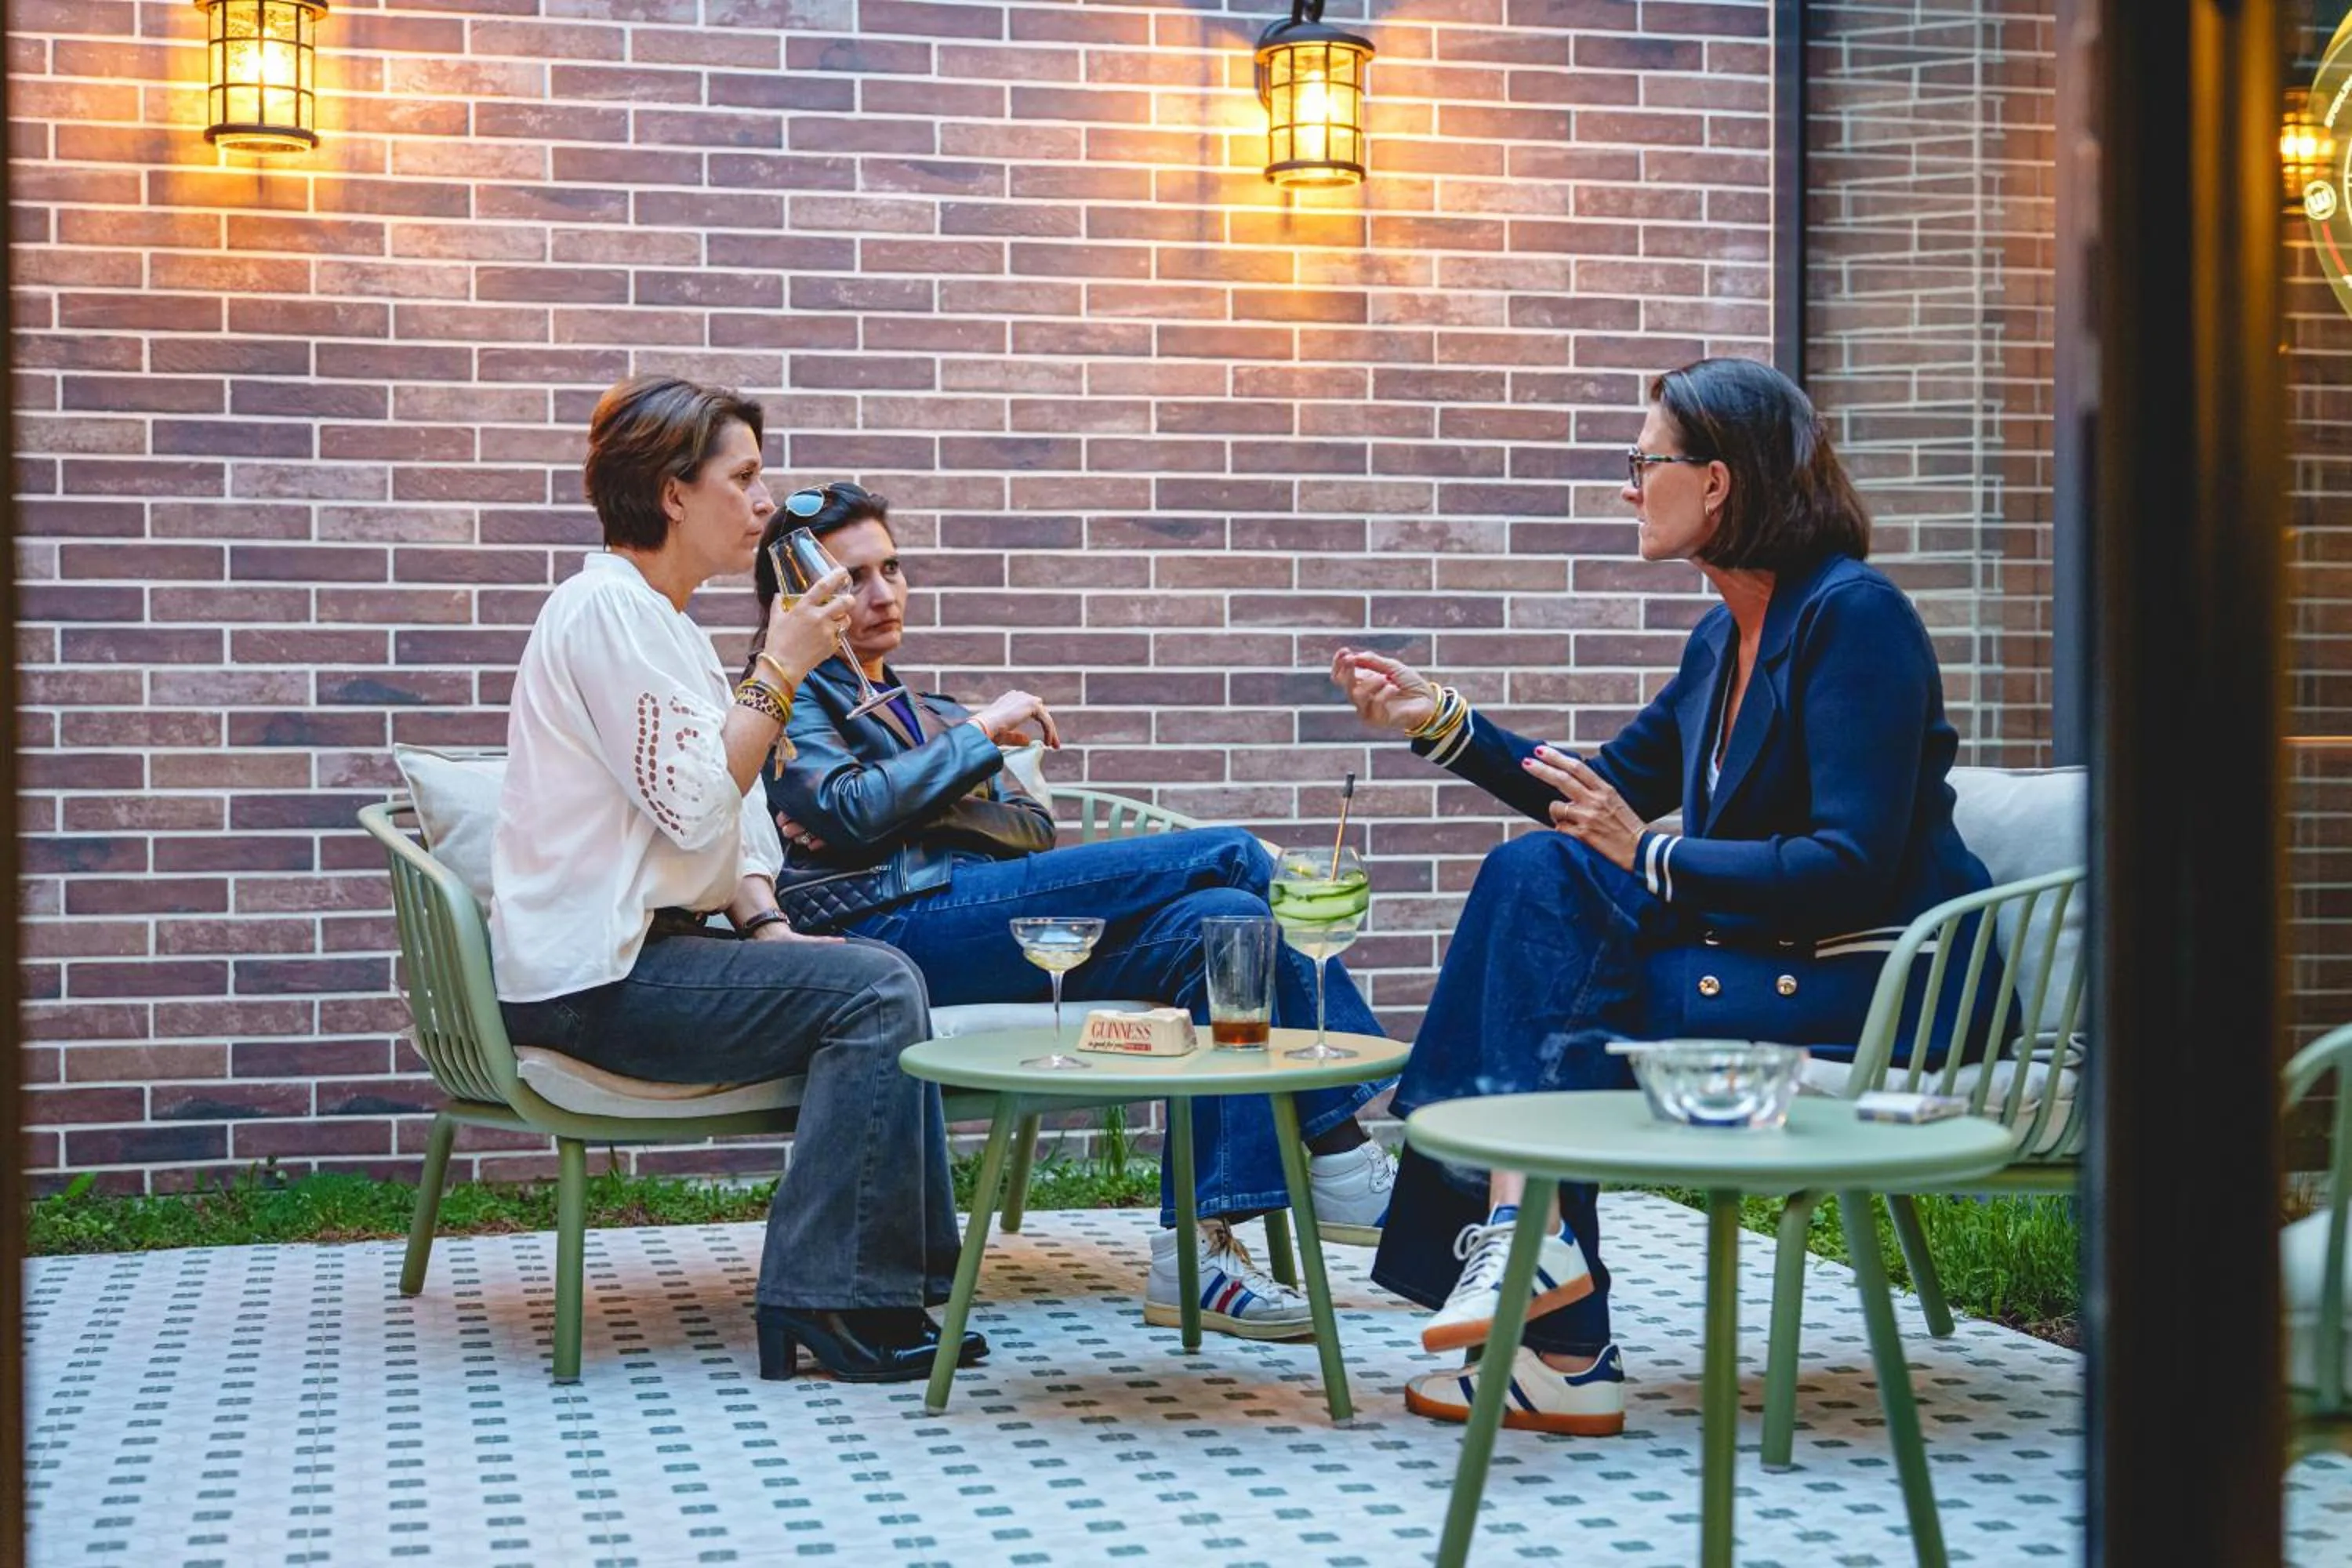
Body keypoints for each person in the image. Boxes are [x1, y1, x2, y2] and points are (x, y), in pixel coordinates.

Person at [1330, 357, 1998, 1436]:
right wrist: (1436, 719)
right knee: (1534, 874)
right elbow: (1594, 794)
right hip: (1771, 960)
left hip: (1879, 981)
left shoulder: (1853, 619)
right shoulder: (1719, 641)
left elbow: (1854, 862)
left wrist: (1655, 858)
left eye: (1644, 461)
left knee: (1552, 922)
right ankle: (1537, 1267)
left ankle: (1554, 1314)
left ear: (1719, 482)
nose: (1628, 485)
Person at [749, 481, 1398, 1342]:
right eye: (856, 576)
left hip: (977, 914)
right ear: (805, 592)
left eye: (893, 567)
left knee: (1230, 917)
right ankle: (1354, 1148)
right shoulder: (797, 693)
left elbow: (1026, 824)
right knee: (1233, 849)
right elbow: (845, 809)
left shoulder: (931, 710)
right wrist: (968, 748)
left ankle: (1194, 1255)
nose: (883, 593)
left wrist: (914, 788)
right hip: (889, 930)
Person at [489, 375, 979, 1386]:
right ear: (674, 493)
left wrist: (766, 926)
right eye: (746, 477)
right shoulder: (603, 612)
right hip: (594, 980)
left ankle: (906, 1278)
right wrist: (782, 666)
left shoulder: (660, 623)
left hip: (648, 958)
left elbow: (738, 829)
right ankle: (830, 1293)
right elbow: (699, 807)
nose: (767, 503)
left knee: (869, 970)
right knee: (878, 988)